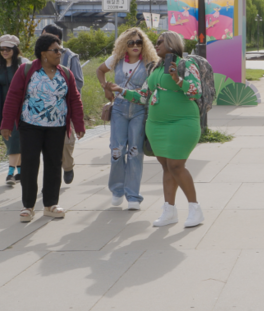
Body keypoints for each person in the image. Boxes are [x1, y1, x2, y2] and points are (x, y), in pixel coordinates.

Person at [110, 31, 205, 228]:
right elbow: (144, 96)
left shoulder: (186, 64)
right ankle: (169, 211)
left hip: (182, 123)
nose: (156, 45)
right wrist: (122, 91)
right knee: (167, 167)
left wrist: (177, 78)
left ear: (171, 43)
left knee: (176, 165)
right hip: (157, 125)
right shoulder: (155, 68)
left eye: (160, 42)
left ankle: (195, 209)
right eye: (157, 42)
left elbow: (195, 91)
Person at [1, 34, 86, 222]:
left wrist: (79, 124)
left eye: (60, 50)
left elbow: (74, 100)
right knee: (30, 165)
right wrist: (6, 124)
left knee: (54, 164)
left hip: (57, 126)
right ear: (43, 53)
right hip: (30, 126)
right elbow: (13, 97)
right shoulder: (27, 70)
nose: (60, 53)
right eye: (55, 50)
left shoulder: (66, 73)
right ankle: (28, 206)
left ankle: (50, 205)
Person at [97, 27, 159, 210]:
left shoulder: (149, 62)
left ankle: (133, 195)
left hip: (139, 111)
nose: (135, 46)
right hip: (119, 110)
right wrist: (105, 87)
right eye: (131, 42)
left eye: (139, 42)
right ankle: (117, 190)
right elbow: (100, 70)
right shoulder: (115, 60)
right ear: (124, 44)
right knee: (117, 151)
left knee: (134, 152)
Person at [41, 24, 83, 185]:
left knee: (66, 142)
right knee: (48, 146)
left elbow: (79, 82)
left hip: (66, 108)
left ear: (57, 39)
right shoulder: (39, 56)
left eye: (46, 36)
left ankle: (68, 166)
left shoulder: (70, 57)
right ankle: (51, 180)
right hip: (44, 110)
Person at [0, 35, 28, 186]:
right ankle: (21, 172)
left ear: (15, 49)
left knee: (14, 138)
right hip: (2, 108)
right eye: (2, 49)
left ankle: (10, 173)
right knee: (9, 140)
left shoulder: (23, 64)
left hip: (19, 109)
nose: (4, 51)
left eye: (8, 49)